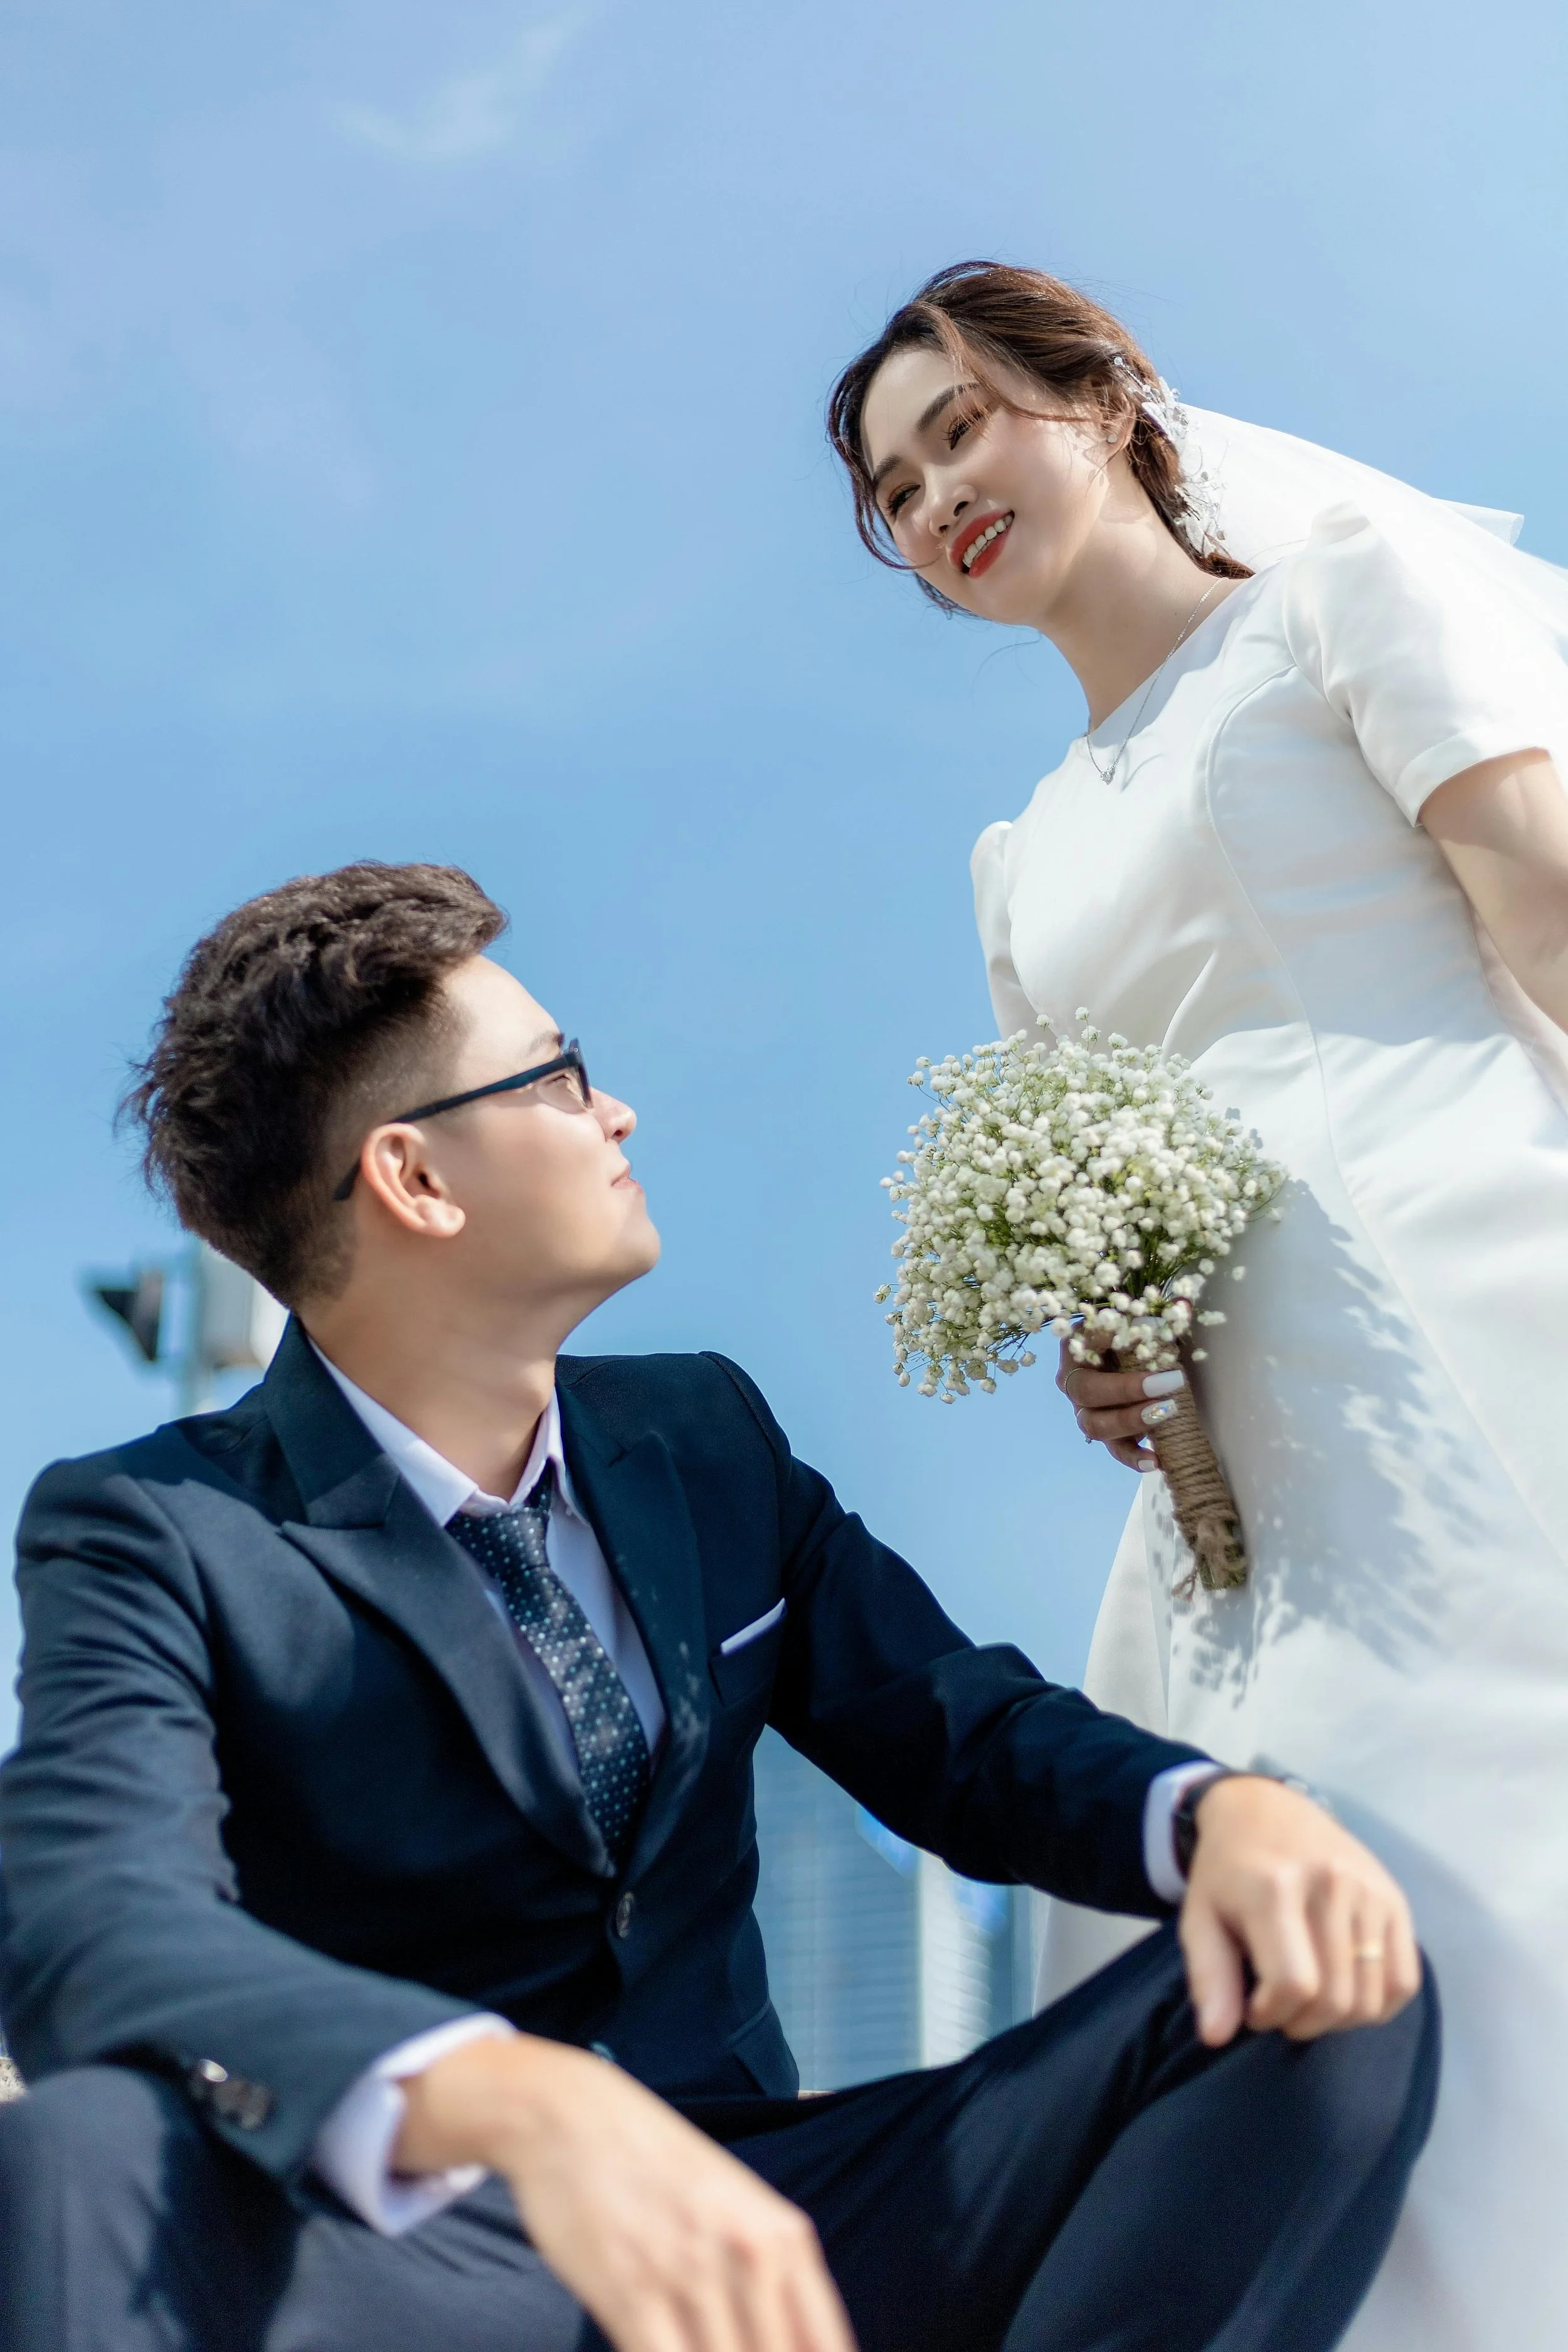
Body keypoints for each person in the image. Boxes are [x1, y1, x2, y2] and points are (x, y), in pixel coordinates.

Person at [0, 861, 1433, 2352]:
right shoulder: (156, 1526)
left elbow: (967, 1735)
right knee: (74, 2152)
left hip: (781, 2221)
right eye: (559, 1080)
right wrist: (503, 2093)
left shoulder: (705, 1438)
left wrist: (1215, 1815)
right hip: (424, 2266)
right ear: (413, 1180)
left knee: (1321, 1982)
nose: (614, 1114)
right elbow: (97, 1927)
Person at [826, 260, 1568, 2351]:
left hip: (1488, 1264)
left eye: (963, 423)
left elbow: (1547, 904)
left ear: (1106, 396)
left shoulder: (1345, 585)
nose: (935, 493)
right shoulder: (1016, 860)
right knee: (1319, 1926)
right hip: (1243, 1478)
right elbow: (1095, 1176)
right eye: (894, 488)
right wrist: (1105, 1349)